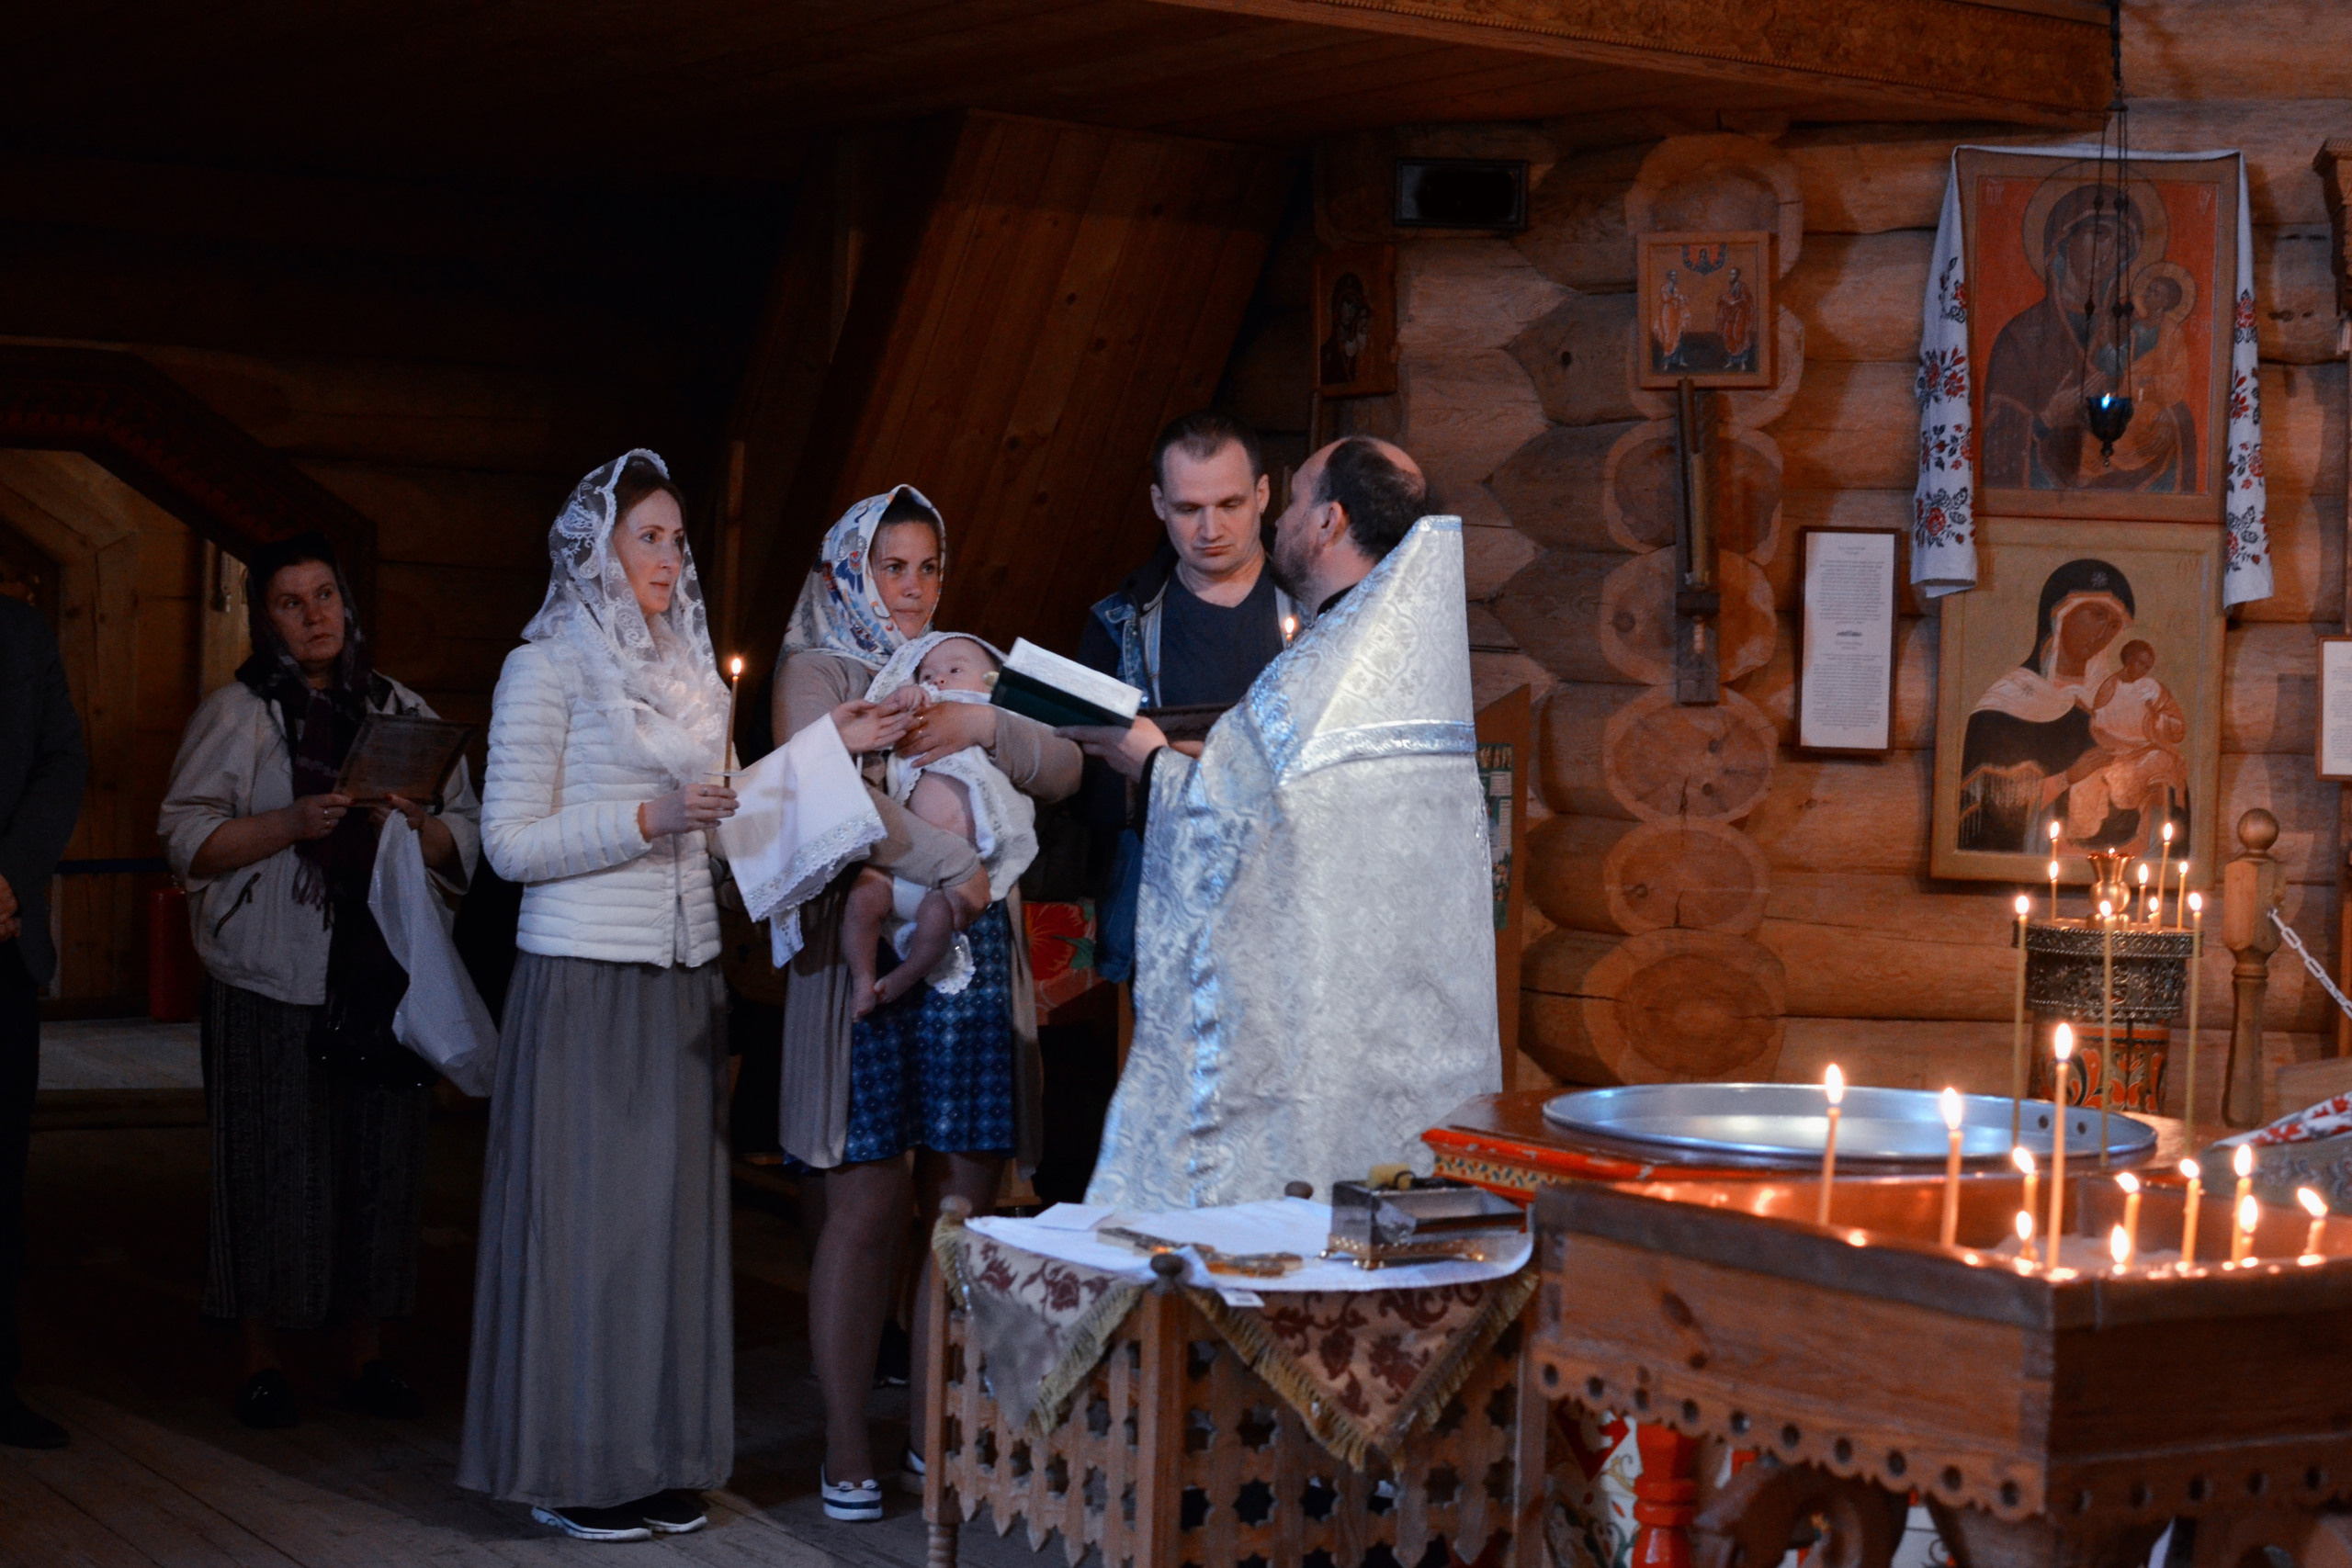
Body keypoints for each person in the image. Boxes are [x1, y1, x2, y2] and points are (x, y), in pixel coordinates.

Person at [458, 451, 900, 1542]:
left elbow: (730, 818)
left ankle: (653, 1461)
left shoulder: (694, 674)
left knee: (662, 1238)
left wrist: (820, 754)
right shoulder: (547, 664)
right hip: (583, 978)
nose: (665, 558)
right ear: (597, 547)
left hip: (681, 978)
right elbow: (507, 845)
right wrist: (649, 821)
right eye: (644, 537)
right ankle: (570, 1472)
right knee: (586, 1233)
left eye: (675, 541)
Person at [1065, 436, 1501, 1209]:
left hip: (1328, 1017)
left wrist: (1153, 763)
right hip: (1388, 1019)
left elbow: (1228, 825)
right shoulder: (1384, 652)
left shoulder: (1326, 666)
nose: (1280, 520)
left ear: (1329, 520)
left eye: (1294, 499)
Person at [773, 486, 1080, 1521]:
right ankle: (846, 1439)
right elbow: (835, 807)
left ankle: (929, 1434)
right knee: (864, 1205)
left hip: (971, 961)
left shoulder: (962, 660)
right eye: (890, 568)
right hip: (864, 948)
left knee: (960, 1202)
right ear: (851, 571)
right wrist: (954, 863)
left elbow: (1067, 764)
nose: (909, 590)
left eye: (926, 568)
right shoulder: (818, 667)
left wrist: (982, 719)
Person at [160, 532, 480, 1430]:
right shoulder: (238, 714)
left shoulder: (399, 708)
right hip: (270, 969)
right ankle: (262, 1358)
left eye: (325, 597)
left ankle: (365, 1353)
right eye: (291, 604)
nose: (314, 617)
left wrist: (418, 829)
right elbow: (188, 839)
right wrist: (291, 822)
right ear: (266, 622)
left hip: (377, 964)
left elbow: (470, 831)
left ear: (348, 604)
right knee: (270, 1162)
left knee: (377, 1162)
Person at [841, 633, 1036, 1015]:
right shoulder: (921, 706)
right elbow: (890, 721)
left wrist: (986, 720)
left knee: (937, 917)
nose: (939, 679)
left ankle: (907, 974)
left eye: (953, 669)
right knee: (862, 899)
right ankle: (863, 978)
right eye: (928, 673)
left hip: (959, 871)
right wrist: (906, 699)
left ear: (992, 679)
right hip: (904, 858)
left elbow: (1044, 750)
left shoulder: (996, 711)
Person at [0, 597, 85, 1449]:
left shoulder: (23, 632)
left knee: (1, 1179)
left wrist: (13, 878)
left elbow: (62, 762)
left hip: (4, 940)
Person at [1957, 558, 2183, 856]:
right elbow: (1985, 811)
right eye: (2097, 614)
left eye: (2114, 624)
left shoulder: (2112, 700)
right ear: (2059, 615)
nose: (2104, 632)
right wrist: (2067, 778)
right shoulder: (2002, 704)